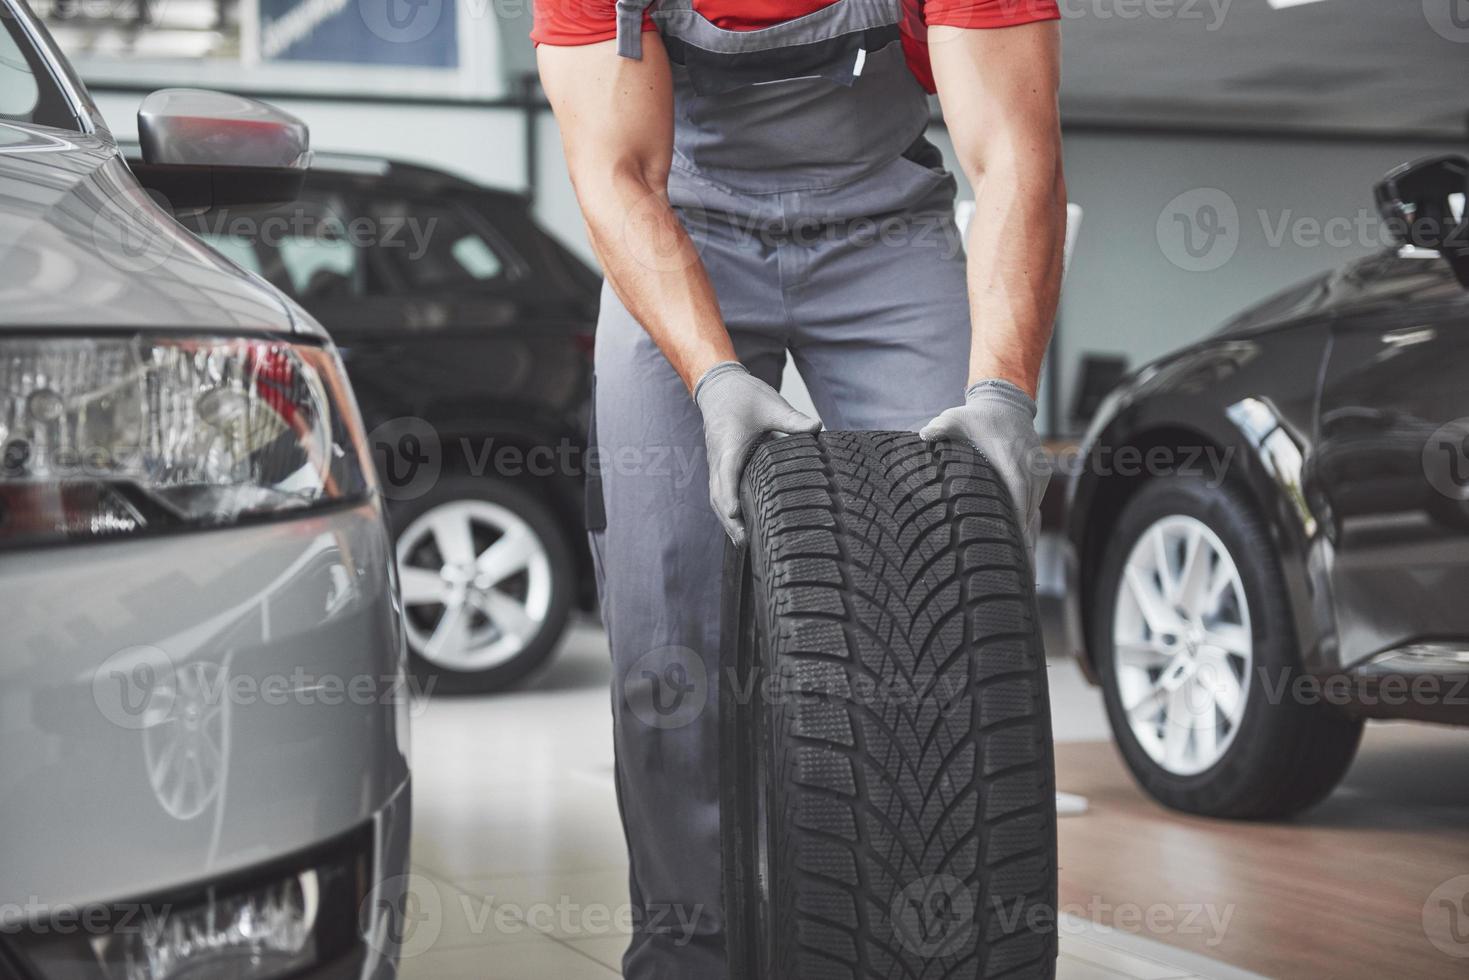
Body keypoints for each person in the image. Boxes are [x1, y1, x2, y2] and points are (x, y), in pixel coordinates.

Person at [534, 0, 1065, 975]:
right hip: (680, 234)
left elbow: (1013, 153)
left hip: (887, 240)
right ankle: (687, 944)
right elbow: (615, 172)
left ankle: (935, 936)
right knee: (665, 622)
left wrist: (1000, 392)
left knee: (950, 581)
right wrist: (713, 374)